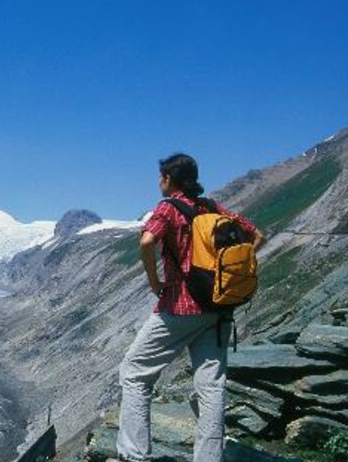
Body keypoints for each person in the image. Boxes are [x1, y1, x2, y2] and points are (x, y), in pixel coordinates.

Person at [108, 153, 265, 462]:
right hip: (218, 309)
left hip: (179, 308)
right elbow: (257, 236)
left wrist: (155, 283)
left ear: (169, 180)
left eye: (161, 177)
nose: (158, 182)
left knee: (135, 373)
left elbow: (146, 241)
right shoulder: (212, 207)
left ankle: (134, 455)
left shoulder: (168, 208)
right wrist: (227, 275)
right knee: (211, 386)